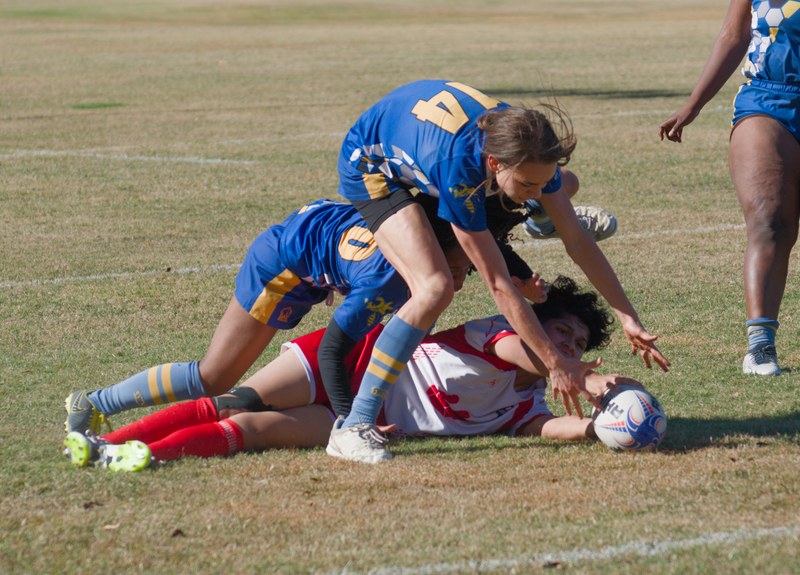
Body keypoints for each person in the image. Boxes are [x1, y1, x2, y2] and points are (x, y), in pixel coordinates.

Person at [329, 79, 669, 462]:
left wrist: (628, 316)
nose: (536, 191)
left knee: (561, 189)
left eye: (541, 184)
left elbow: (578, 241)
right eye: (528, 184)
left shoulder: (531, 149)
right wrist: (555, 363)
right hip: (372, 165)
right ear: (494, 162)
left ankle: (538, 220)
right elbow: (498, 284)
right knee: (434, 287)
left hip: (431, 149)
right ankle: (354, 426)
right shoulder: (459, 172)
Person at [63, 276, 643, 470]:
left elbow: (538, 429)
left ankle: (135, 456)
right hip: (348, 361)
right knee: (237, 400)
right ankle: (105, 440)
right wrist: (582, 376)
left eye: (577, 342)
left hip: (366, 423)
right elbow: (524, 348)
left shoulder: (527, 402)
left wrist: (604, 425)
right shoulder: (498, 334)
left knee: (258, 433)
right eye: (560, 332)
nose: (566, 345)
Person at [63, 198, 473, 437]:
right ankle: (93, 402)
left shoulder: (416, 251)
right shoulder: (389, 279)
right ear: (434, 247)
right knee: (214, 377)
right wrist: (352, 424)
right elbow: (333, 352)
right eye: (458, 264)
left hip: (319, 245)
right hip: (280, 264)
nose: (460, 277)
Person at [659, 0, 800, 376]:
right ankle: (760, 347)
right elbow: (733, 35)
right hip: (768, 99)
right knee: (769, 219)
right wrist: (694, 103)